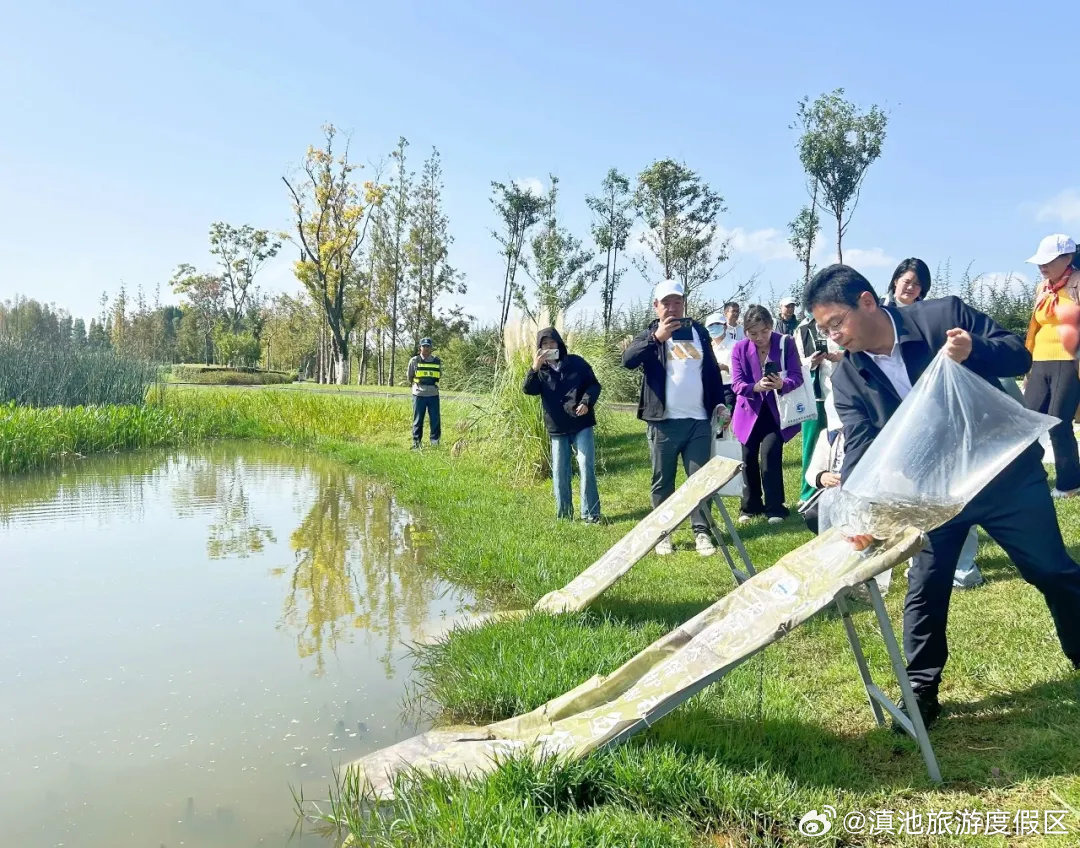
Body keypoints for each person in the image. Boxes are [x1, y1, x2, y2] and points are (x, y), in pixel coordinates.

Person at [805, 263, 1080, 730]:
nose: (835, 337)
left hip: (1004, 476)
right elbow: (861, 443)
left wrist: (974, 350)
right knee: (926, 585)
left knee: (1050, 569)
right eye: (825, 329)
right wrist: (857, 504)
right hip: (933, 494)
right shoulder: (850, 376)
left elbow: (1018, 354)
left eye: (837, 323)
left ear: (867, 302)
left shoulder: (940, 318)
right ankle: (921, 689)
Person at [884, 257, 984, 590]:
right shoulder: (877, 320)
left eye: (915, 283)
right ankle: (917, 558)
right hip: (900, 423)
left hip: (940, 415)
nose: (908, 287)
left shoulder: (934, 320)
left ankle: (963, 566)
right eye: (904, 279)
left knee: (956, 491)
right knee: (912, 496)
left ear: (923, 288)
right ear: (895, 280)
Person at [622, 279, 727, 556]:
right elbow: (628, 360)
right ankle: (662, 533)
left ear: (683, 304)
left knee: (699, 480)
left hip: (698, 421)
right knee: (662, 480)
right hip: (664, 422)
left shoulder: (699, 333)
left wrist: (719, 403)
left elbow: (712, 372)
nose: (672, 307)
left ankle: (701, 532)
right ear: (656, 306)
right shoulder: (649, 334)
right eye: (666, 302)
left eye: (677, 302)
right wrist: (657, 337)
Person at [729, 305, 805, 524]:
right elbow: (737, 384)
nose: (760, 337)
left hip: (776, 412)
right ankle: (750, 506)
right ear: (746, 332)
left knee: (770, 456)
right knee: (747, 458)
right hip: (748, 412)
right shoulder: (739, 349)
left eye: (764, 331)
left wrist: (782, 384)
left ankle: (775, 508)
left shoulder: (785, 343)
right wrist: (755, 387)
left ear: (771, 327)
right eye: (753, 333)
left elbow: (797, 376)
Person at [523, 328, 602, 522]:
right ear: (539, 348)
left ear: (559, 343)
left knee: (586, 465)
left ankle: (590, 514)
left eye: (552, 343)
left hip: (581, 422)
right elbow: (528, 390)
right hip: (557, 427)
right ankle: (564, 515)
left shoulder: (576, 362)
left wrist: (586, 402)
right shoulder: (539, 371)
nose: (549, 347)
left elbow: (594, 385)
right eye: (544, 345)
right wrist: (534, 368)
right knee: (559, 472)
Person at [1023, 234, 1080, 498]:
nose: (1041, 267)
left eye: (1048, 261)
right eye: (1039, 262)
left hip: (1069, 361)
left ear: (1067, 258)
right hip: (1040, 360)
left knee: (1059, 420)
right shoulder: (1042, 288)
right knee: (1028, 421)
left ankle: (1069, 484)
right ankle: (1029, 478)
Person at [795, 311, 845, 506]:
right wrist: (811, 362)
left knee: (840, 441)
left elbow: (857, 352)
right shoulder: (803, 330)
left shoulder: (843, 323)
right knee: (811, 443)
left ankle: (838, 488)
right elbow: (797, 362)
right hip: (814, 394)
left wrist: (840, 356)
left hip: (841, 393)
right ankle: (807, 493)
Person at [407, 338, 441, 449]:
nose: (426, 348)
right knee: (418, 419)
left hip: (433, 394)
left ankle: (435, 442)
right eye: (424, 346)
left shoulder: (437, 361)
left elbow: (439, 375)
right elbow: (410, 376)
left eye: (428, 346)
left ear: (431, 348)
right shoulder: (414, 360)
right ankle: (416, 443)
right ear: (420, 348)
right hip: (419, 394)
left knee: (435, 419)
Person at [704, 311, 738, 409]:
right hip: (710, 389)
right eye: (711, 325)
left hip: (729, 389)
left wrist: (725, 368)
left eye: (718, 324)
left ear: (725, 326)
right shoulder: (706, 348)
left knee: (724, 421)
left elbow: (741, 372)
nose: (714, 327)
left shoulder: (735, 346)